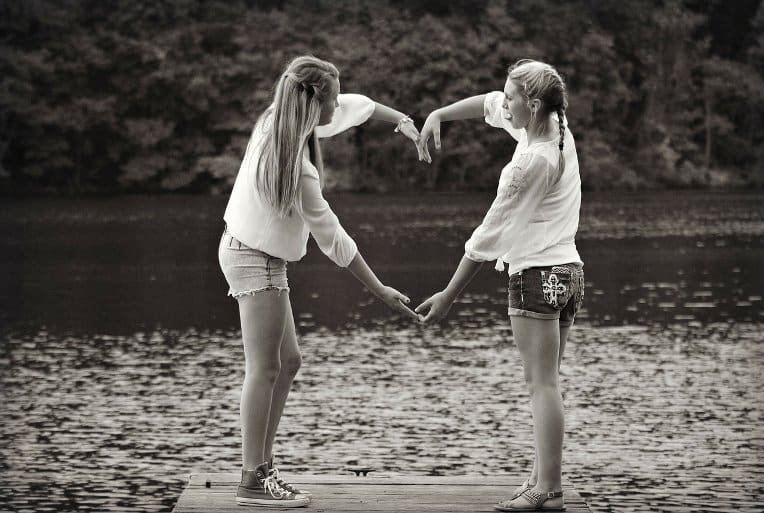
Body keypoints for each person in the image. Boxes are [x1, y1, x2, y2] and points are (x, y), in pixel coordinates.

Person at [219, 55, 420, 507]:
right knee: (266, 368)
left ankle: (263, 469)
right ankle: (252, 479)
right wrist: (380, 290)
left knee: (288, 363)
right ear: (313, 104)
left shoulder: (277, 119)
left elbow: (354, 106)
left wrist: (401, 120)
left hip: (253, 254)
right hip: (257, 261)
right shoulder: (297, 166)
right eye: (330, 99)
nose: (336, 109)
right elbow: (335, 240)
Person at [415, 59, 584, 512]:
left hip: (537, 276)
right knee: (548, 384)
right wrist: (440, 115)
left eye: (511, 96)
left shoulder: (531, 162)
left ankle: (547, 488)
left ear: (530, 103)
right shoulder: (553, 125)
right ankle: (543, 481)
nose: (502, 101)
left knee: (542, 386)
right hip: (568, 274)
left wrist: (449, 295)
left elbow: (487, 237)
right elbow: (490, 105)